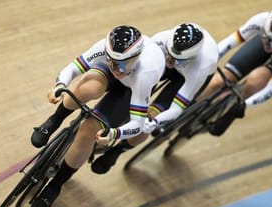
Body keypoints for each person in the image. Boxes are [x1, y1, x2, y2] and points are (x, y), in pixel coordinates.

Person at [29, 25, 165, 207]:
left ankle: (55, 185)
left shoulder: (146, 72)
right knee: (89, 88)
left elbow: (138, 123)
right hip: (109, 75)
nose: (118, 68)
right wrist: (59, 87)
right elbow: (74, 68)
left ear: (136, 57)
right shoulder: (104, 48)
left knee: (88, 131)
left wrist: (115, 133)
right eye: (113, 60)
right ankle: (54, 120)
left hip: (130, 90)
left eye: (123, 63)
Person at [90, 23, 219, 174]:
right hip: (168, 62)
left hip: (186, 78)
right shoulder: (160, 41)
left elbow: (176, 109)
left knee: (149, 118)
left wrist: (155, 122)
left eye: (176, 60)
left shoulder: (201, 67)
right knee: (139, 87)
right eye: (169, 55)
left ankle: (116, 151)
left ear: (192, 57)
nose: (171, 63)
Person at [197, 7, 272, 136]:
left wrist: (245, 103)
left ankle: (232, 109)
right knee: (218, 80)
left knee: (253, 83)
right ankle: (189, 104)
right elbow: (228, 43)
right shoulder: (261, 20)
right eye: (267, 39)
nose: (269, 46)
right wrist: (209, 61)